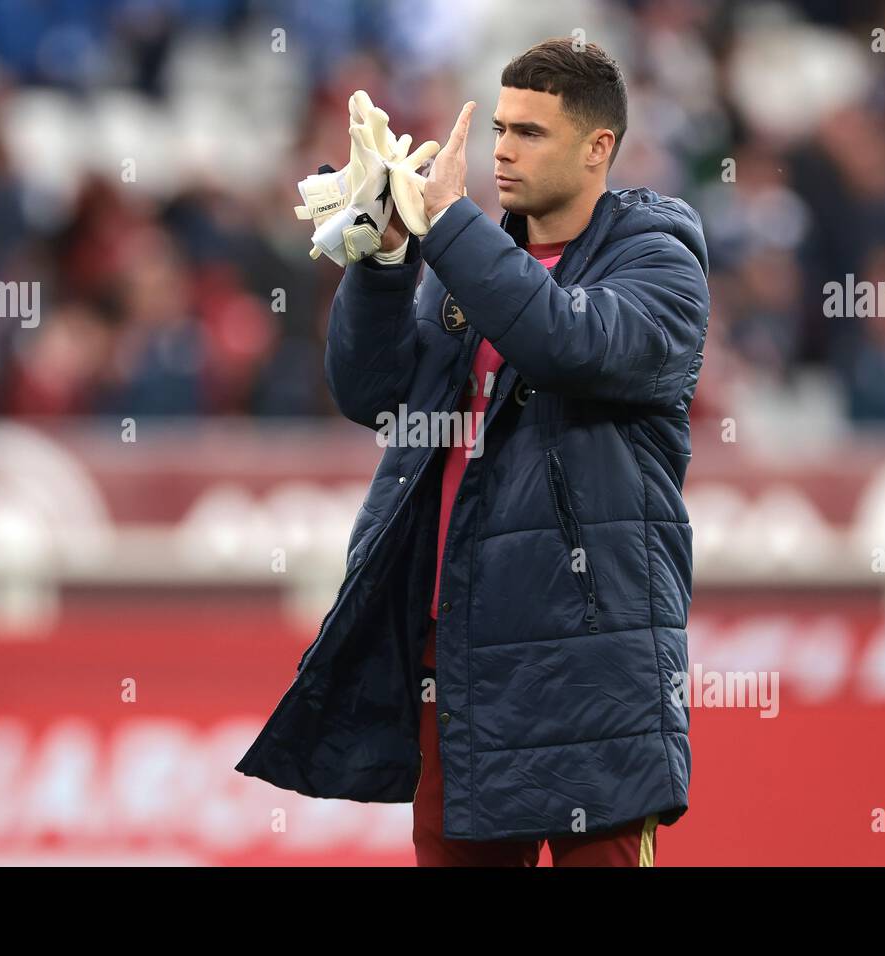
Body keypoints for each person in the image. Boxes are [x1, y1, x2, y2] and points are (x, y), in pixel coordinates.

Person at [236, 38, 710, 867]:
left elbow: (565, 342)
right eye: (499, 126)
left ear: (600, 147)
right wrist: (385, 258)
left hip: (590, 664)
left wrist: (451, 225)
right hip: (456, 651)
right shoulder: (470, 263)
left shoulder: (658, 262)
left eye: (530, 132)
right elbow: (374, 395)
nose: (501, 149)